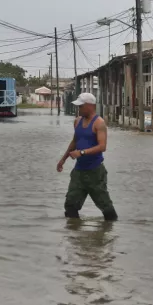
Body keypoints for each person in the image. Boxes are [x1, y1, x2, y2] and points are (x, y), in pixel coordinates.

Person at [56, 92, 117, 221]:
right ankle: (75, 235)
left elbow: (102, 146)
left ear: (90, 106)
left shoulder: (99, 123)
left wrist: (82, 152)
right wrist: (63, 159)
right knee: (70, 206)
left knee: (106, 209)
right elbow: (74, 142)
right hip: (79, 172)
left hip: (95, 171)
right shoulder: (77, 121)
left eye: (81, 106)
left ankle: (108, 233)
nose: (78, 109)